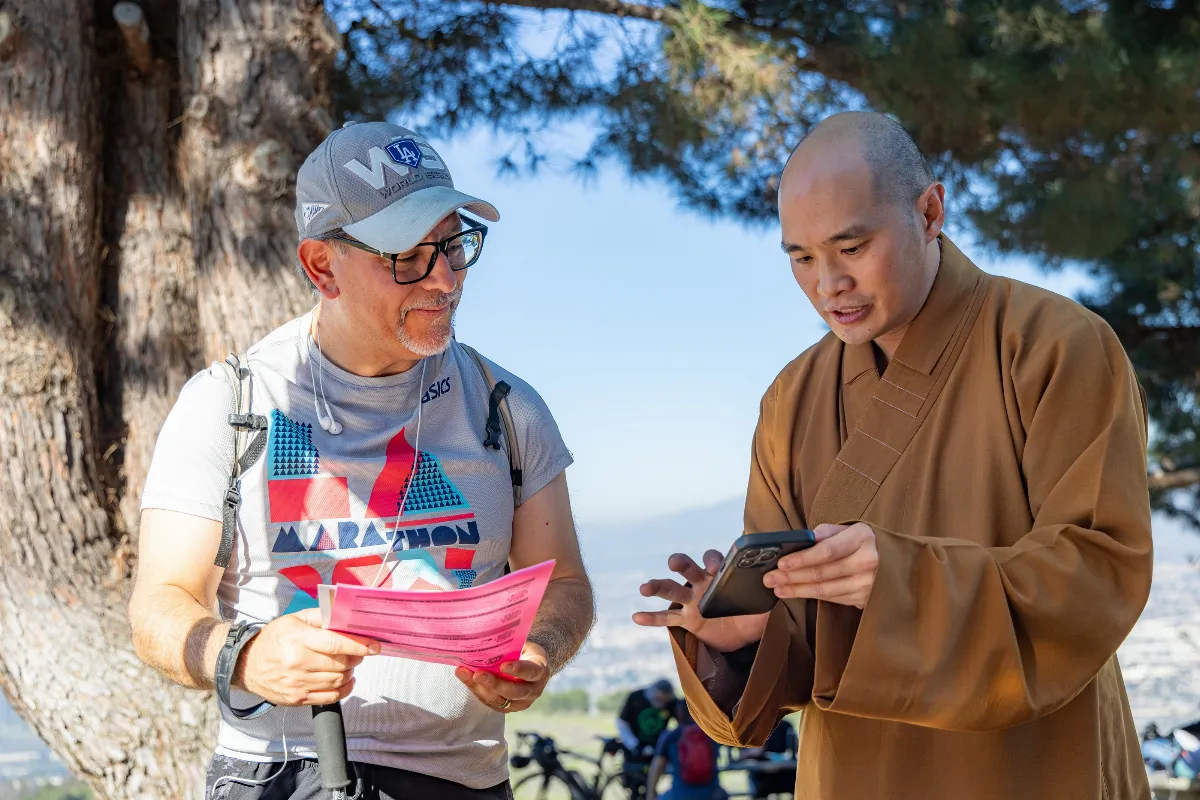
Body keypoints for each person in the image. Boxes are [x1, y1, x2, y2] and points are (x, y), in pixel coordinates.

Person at [633, 111, 1153, 799]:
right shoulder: (791, 399)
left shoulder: (1055, 345)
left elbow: (1096, 573)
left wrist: (899, 582)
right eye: (801, 257)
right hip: (850, 774)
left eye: (851, 248)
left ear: (931, 211)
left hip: (1030, 766)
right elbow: (802, 643)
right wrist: (742, 635)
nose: (828, 285)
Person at [127, 121, 594, 799]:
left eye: (454, 245)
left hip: (464, 782)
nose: (445, 279)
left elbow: (567, 585)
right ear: (321, 266)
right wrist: (247, 657)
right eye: (408, 254)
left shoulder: (508, 408)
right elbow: (158, 607)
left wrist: (538, 650)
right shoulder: (227, 403)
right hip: (275, 774)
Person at [646, 701, 727, 800]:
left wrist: (651, 793)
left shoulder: (671, 736)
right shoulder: (712, 733)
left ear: (678, 714)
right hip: (713, 793)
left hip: (680, 794)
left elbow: (657, 766)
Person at [617, 680, 678, 797]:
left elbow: (681, 723)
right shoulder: (635, 697)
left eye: (664, 700)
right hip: (634, 750)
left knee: (651, 787)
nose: (661, 703)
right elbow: (621, 722)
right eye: (659, 699)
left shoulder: (672, 703)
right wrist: (634, 745)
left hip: (656, 752)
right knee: (632, 787)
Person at [735, 719, 796, 799]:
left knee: (795, 780)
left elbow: (794, 749)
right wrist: (752, 752)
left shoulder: (785, 726)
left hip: (784, 770)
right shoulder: (751, 728)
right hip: (762, 773)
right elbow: (739, 756)